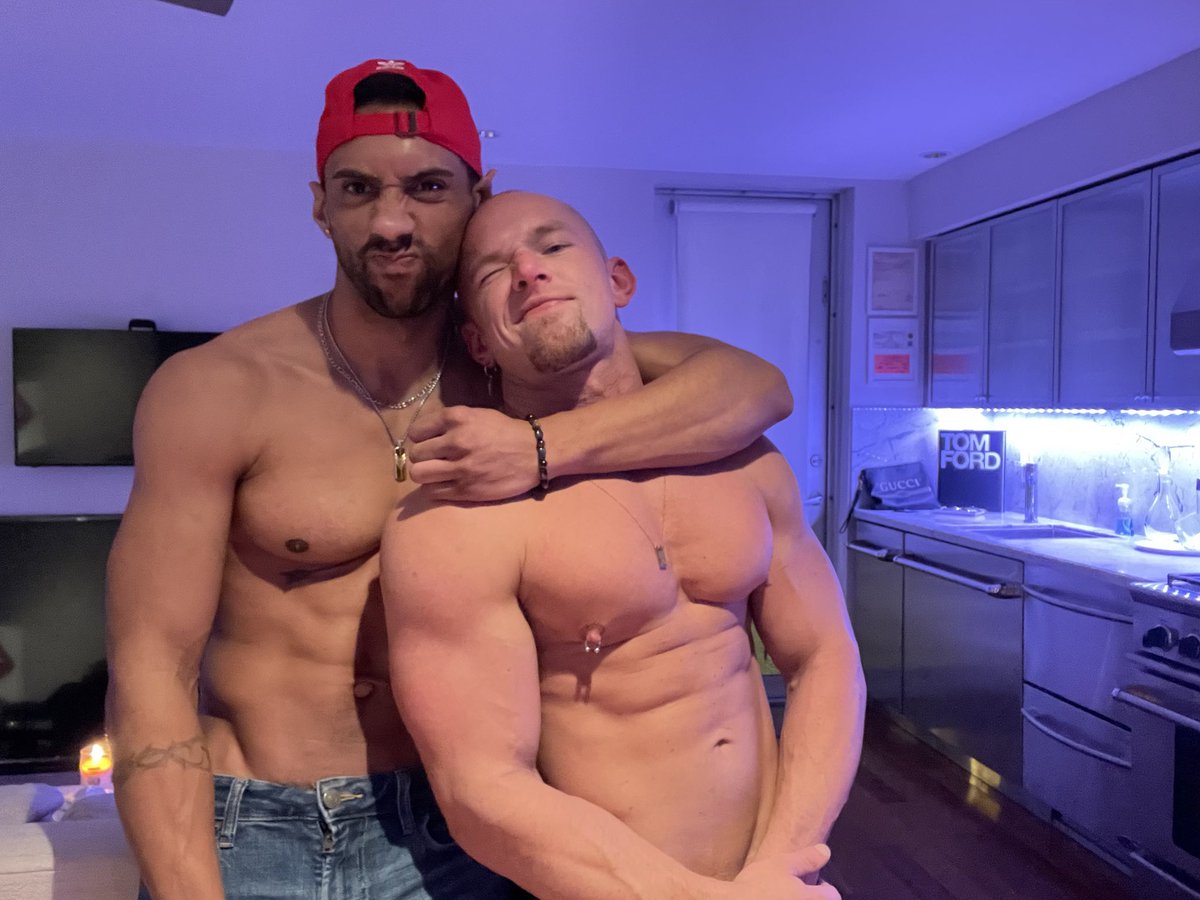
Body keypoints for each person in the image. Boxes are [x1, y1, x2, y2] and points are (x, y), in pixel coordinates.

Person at [105, 59, 795, 900]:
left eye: (428, 187)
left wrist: (537, 447)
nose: (392, 222)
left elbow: (754, 387)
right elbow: (150, 668)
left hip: (466, 828)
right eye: (358, 189)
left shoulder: (520, 363)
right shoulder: (216, 388)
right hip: (257, 827)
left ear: (478, 194)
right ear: (320, 204)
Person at [381, 190, 866, 900]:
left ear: (619, 282)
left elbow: (825, 657)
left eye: (553, 246)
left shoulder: (746, 460)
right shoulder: (452, 520)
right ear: (478, 341)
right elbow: (480, 788)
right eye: (492, 271)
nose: (528, 271)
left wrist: (785, 860)